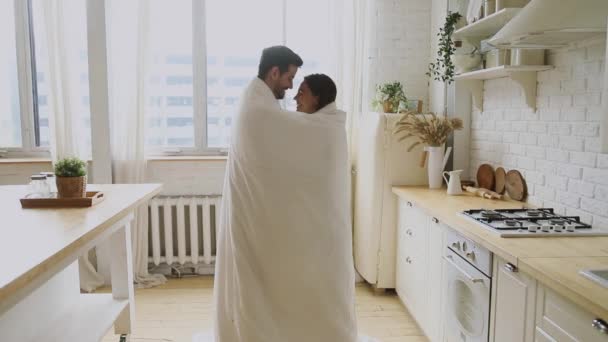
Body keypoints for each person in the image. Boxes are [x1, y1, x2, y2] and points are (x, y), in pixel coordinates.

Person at [212, 46, 370, 342]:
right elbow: (285, 147)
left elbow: (295, 149)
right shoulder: (259, 107)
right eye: (289, 78)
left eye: (299, 86)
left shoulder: (263, 103)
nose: (291, 88)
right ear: (274, 72)